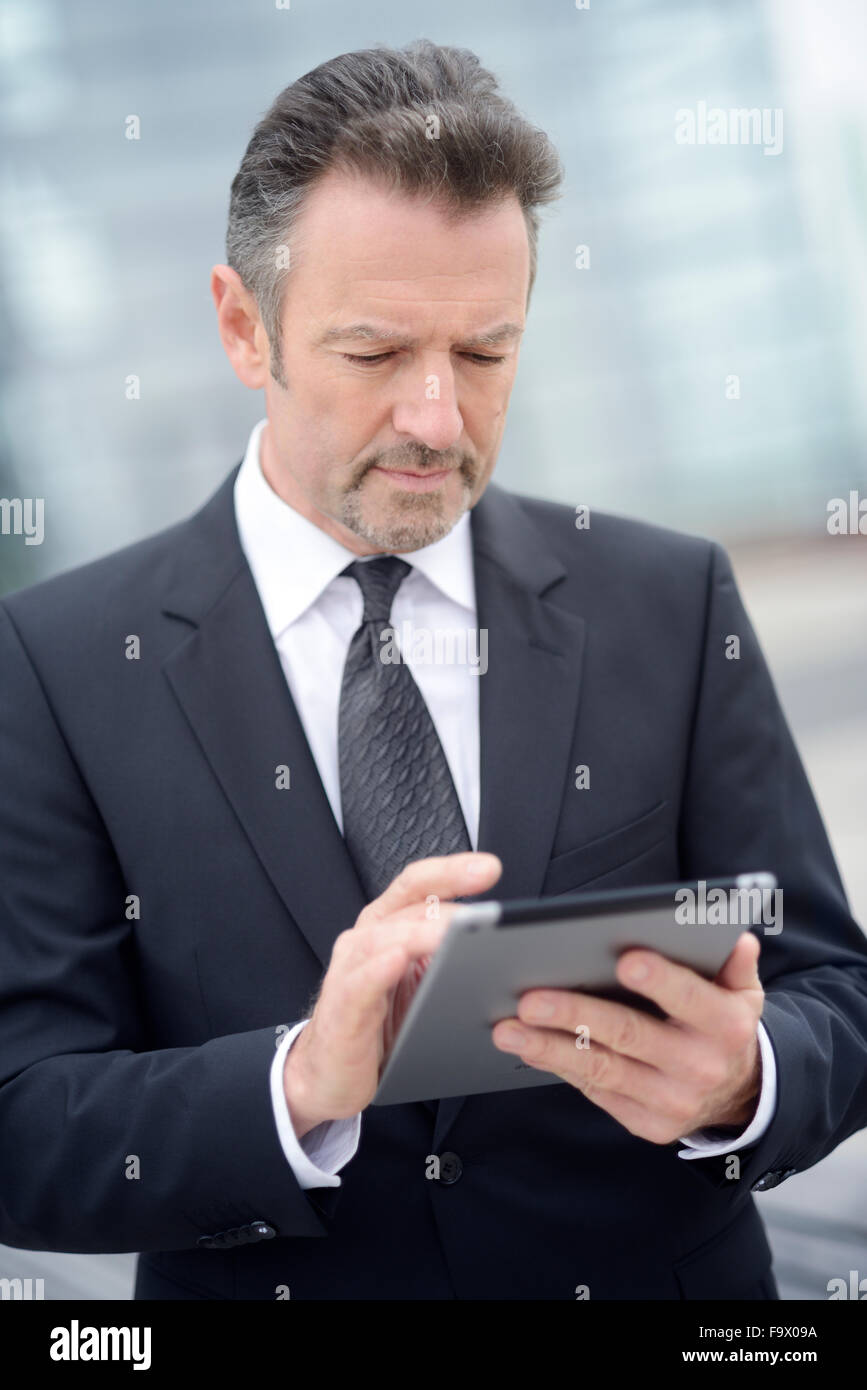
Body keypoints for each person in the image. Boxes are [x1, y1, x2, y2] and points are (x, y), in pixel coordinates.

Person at [1, 39, 865, 1302]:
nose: (435, 419)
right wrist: (297, 1084)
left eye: (484, 352)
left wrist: (748, 1078)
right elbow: (23, 1117)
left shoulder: (669, 601)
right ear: (244, 328)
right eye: (373, 354)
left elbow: (833, 987)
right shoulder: (55, 665)